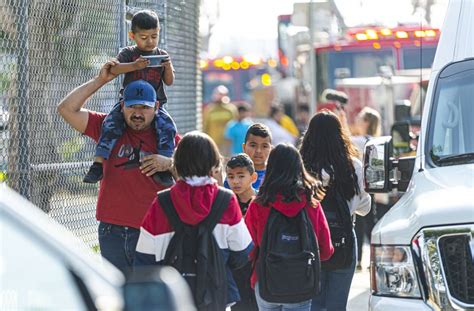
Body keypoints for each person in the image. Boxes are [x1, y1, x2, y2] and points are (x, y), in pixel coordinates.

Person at [57, 60, 176, 273]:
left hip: (154, 230)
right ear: (122, 105)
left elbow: (200, 171)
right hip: (112, 230)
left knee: (149, 297)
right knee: (119, 297)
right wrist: (100, 80)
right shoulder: (107, 127)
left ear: (156, 107)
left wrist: (170, 163)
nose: (137, 113)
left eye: (144, 108)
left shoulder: (168, 137)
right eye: (132, 106)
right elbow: (66, 109)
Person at [134, 131, 253, 307]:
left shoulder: (162, 202)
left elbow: (144, 259)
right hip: (214, 296)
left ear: (177, 163)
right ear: (213, 164)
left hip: (173, 299)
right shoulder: (225, 200)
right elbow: (244, 253)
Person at [84, 9, 176, 187]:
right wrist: (134, 65)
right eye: (144, 37)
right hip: (128, 104)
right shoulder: (128, 53)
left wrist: (168, 66)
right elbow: (114, 69)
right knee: (110, 125)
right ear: (132, 35)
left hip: (154, 106)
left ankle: (164, 166)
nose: (149, 41)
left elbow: (169, 82)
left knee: (167, 127)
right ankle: (98, 164)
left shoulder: (161, 54)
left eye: (154, 36)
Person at [245, 144, 334, 311]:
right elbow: (326, 250)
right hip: (300, 282)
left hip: (265, 281)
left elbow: (248, 249)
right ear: (298, 168)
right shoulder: (311, 204)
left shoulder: (258, 205)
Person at [299, 110, 372, 311]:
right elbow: (365, 209)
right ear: (339, 135)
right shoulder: (353, 167)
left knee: (313, 304)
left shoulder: (301, 166)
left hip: (309, 241)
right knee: (337, 305)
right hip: (344, 241)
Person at [225, 153, 258, 310]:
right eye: (230, 176)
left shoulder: (261, 201)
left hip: (258, 268)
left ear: (253, 177)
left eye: (240, 176)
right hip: (236, 268)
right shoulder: (226, 203)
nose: (235, 181)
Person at [350, 107, 381, 270]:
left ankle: (358, 260)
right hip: (371, 187)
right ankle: (374, 259)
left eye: (360, 118)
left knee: (360, 224)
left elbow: (345, 140)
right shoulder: (374, 141)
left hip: (360, 187)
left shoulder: (361, 141)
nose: (357, 120)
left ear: (367, 122)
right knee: (370, 223)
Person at [203, 85, 237, 156]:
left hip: (227, 144)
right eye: (218, 94)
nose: (220, 96)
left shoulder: (231, 109)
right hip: (213, 142)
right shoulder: (210, 109)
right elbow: (205, 127)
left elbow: (235, 125)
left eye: (222, 94)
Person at [242, 123, 272, 190]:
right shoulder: (235, 174)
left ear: (271, 150)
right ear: (244, 147)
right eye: (253, 145)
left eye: (264, 146)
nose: (258, 151)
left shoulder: (275, 176)